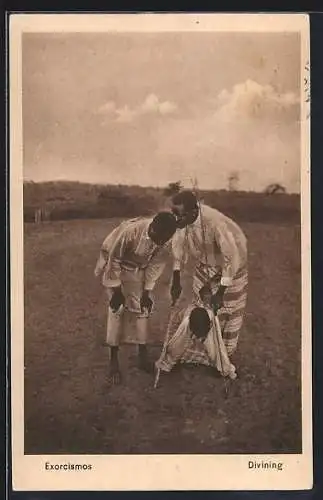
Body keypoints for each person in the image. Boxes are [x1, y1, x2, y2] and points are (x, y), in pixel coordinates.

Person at [94, 212, 177, 384]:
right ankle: (113, 361)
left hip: (137, 269)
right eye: (158, 238)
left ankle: (142, 356)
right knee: (118, 309)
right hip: (115, 263)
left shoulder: (166, 241)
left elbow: (155, 266)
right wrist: (117, 293)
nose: (160, 243)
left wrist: (146, 293)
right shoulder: (131, 232)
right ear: (152, 227)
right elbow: (114, 260)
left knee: (142, 309)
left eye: (164, 240)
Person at [169, 190, 248, 357]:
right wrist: (176, 279)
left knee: (225, 310)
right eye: (173, 213)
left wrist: (220, 292)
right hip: (206, 264)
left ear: (193, 212)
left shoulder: (215, 223)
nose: (175, 219)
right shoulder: (182, 223)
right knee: (201, 310)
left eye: (179, 214)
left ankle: (224, 355)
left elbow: (231, 258)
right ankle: (203, 352)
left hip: (233, 264)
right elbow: (178, 249)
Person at [155, 289, 237, 380]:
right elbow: (176, 342)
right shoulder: (186, 321)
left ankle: (221, 367)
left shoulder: (213, 320)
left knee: (214, 351)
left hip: (206, 324)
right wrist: (167, 362)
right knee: (175, 348)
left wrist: (225, 368)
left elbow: (219, 347)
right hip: (190, 324)